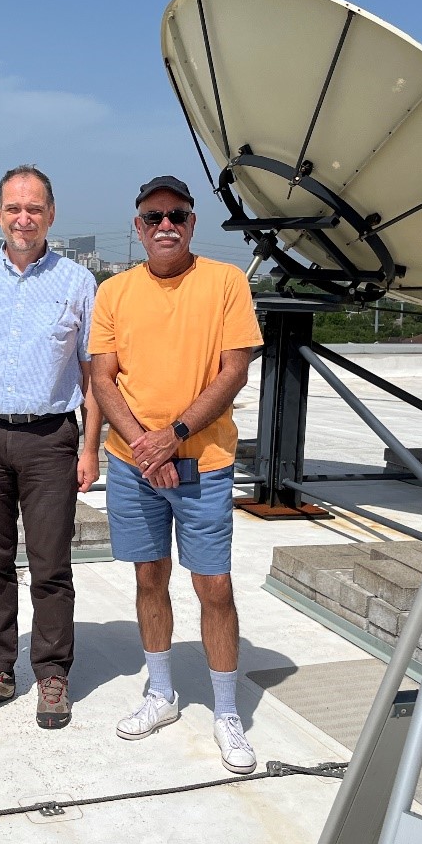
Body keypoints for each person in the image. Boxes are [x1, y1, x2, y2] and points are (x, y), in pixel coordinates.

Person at [88, 175, 263, 773]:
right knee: (148, 577)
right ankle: (160, 692)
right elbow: (102, 377)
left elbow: (233, 370)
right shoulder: (113, 291)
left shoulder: (225, 282)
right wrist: (144, 447)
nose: (166, 225)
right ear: (138, 227)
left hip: (203, 463)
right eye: (154, 216)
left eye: (178, 216)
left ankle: (225, 708)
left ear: (192, 224)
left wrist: (175, 438)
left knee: (214, 586)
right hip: (135, 463)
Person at [0, 165, 101, 729]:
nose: (23, 218)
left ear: (51, 214)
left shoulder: (78, 282)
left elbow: (91, 369)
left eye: (34, 209)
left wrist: (90, 448)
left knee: (52, 563)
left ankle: (52, 673)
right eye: (13, 208)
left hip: (49, 437)